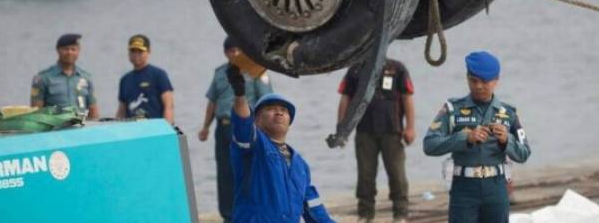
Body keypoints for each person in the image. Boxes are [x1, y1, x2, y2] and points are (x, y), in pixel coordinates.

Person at [423, 51, 531, 223]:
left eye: (485, 81)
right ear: (467, 78)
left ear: (496, 80)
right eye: (473, 80)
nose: (479, 86)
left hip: (496, 188)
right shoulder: (452, 109)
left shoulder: (508, 113)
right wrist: (465, 138)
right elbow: (429, 145)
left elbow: (524, 153)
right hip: (464, 188)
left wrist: (506, 141)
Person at [226, 66, 336, 223]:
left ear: (289, 122)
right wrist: (240, 95)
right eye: (270, 109)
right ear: (256, 120)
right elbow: (242, 124)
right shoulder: (254, 147)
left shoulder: (300, 165)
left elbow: (314, 207)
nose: (279, 112)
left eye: (284, 110)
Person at [198, 36, 273, 223]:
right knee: (225, 173)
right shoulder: (220, 72)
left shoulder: (255, 69)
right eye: (231, 51)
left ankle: (250, 214)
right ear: (225, 52)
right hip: (223, 127)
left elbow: (266, 101)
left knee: (249, 171)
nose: (235, 54)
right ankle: (228, 216)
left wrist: (265, 130)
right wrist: (205, 127)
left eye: (237, 50)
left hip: (248, 128)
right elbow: (212, 102)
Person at [337, 58, 415, 223]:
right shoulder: (356, 70)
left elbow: (407, 97)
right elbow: (345, 98)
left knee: (397, 174)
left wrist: (410, 127)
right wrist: (341, 128)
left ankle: (400, 214)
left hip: (392, 131)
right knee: (365, 175)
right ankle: (365, 214)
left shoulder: (397, 68)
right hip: (365, 131)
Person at [30, 33, 99, 119]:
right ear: (58, 50)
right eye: (65, 49)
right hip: (55, 129)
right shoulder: (43, 78)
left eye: (73, 49)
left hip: (81, 129)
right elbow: (36, 111)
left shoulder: (85, 77)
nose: (69, 52)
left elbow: (93, 110)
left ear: (78, 51)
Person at [116, 34, 174, 124]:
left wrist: (167, 130)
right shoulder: (125, 80)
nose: (136, 55)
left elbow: (169, 106)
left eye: (140, 51)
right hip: (132, 130)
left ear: (148, 51)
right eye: (133, 51)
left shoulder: (159, 75)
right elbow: (121, 110)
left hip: (154, 129)